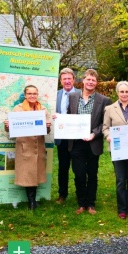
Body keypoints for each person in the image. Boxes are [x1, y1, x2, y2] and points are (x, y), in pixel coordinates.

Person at [68, 69, 112, 215]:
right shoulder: (73, 97)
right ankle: (81, 203)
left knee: (92, 174)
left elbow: (105, 123)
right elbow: (69, 117)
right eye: (88, 79)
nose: (90, 82)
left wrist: (94, 134)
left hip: (93, 142)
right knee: (79, 174)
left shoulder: (104, 100)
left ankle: (91, 204)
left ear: (96, 82)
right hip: (76, 142)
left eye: (93, 80)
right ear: (83, 81)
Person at [4, 85, 51, 210]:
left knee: (35, 174)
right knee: (28, 175)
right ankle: (31, 202)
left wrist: (47, 126)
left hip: (38, 146)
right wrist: (7, 126)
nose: (32, 96)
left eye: (34, 93)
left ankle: (33, 201)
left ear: (37, 95)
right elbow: (10, 129)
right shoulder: (17, 109)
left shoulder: (43, 109)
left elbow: (47, 130)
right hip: (25, 146)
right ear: (25, 95)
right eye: (29, 93)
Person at [103, 81, 128, 219]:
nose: (124, 94)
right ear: (117, 92)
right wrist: (108, 136)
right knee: (120, 180)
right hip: (117, 149)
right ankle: (122, 208)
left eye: (127, 92)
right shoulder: (109, 109)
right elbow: (105, 128)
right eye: (122, 92)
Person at [54, 68, 79, 204]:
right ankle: (62, 194)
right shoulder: (56, 95)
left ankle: (79, 193)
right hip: (62, 137)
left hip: (76, 138)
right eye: (65, 79)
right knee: (63, 167)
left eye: (70, 78)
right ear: (61, 81)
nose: (67, 81)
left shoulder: (81, 94)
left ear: (74, 80)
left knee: (78, 167)